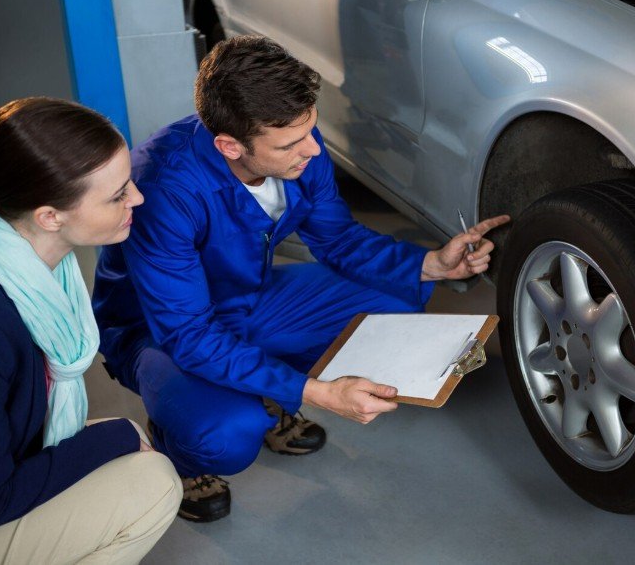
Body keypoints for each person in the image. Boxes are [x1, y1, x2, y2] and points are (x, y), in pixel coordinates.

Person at [92, 35, 510, 522]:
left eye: (310, 129)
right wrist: (317, 394)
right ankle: (180, 451)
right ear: (229, 145)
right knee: (225, 435)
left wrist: (433, 264)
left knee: (396, 297)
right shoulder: (165, 187)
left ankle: (264, 382)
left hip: (250, 299)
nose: (313, 149)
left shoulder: (297, 148)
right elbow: (188, 334)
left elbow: (339, 240)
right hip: (160, 332)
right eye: (291, 142)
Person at [0, 97, 183, 565]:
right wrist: (117, 436)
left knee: (126, 454)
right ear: (49, 216)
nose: (137, 199)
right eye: (117, 194)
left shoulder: (26, 265)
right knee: (153, 482)